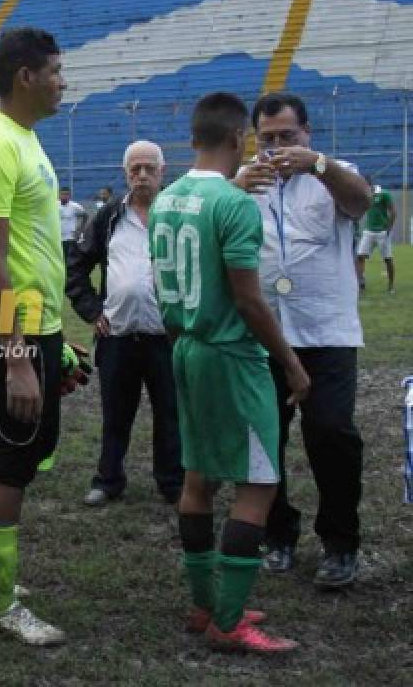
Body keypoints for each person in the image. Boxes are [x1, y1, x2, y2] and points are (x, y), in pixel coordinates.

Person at [151, 91, 311, 653]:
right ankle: (230, 620)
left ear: (192, 137)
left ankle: (204, 605)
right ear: (237, 137)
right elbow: (247, 299)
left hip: (186, 348)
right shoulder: (234, 203)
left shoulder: (167, 199)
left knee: (198, 477)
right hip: (231, 355)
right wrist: (289, 363)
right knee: (259, 481)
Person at [0, 28, 88, 645]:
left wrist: (54, 338)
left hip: (37, 327)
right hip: (10, 334)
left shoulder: (25, 138)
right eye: (57, 70)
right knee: (12, 459)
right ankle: (0, 604)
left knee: (29, 451)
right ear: (26, 76)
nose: (63, 80)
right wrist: (16, 357)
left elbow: (33, 252)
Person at [234, 92, 373, 588]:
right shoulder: (247, 182)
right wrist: (235, 185)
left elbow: (361, 201)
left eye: (287, 136)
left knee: (332, 434)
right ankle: (278, 533)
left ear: (307, 133)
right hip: (263, 335)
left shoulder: (333, 173)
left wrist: (319, 165)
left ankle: (339, 542)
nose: (277, 147)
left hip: (326, 334)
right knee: (263, 440)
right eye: (267, 138)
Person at [66, 140, 182, 507]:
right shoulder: (109, 217)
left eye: (149, 167)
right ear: (125, 173)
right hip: (117, 335)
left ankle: (173, 482)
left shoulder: (178, 212)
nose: (142, 175)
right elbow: (76, 267)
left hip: (168, 336)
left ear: (163, 171)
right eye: (135, 169)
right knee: (116, 413)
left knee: (172, 412)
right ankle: (108, 479)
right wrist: (92, 310)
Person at [355, 183, 395, 293]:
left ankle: (391, 286)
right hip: (369, 231)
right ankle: (360, 283)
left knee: (387, 259)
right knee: (360, 256)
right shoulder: (366, 195)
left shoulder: (384, 194)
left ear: (371, 184)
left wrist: (388, 229)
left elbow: (393, 211)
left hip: (382, 231)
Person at [58, 186, 84, 259]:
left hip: (70, 237)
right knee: (59, 259)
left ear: (70, 196)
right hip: (57, 237)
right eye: (62, 194)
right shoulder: (54, 205)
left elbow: (85, 216)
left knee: (69, 259)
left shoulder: (75, 206)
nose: (64, 196)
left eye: (66, 194)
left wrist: (80, 230)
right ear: (59, 195)